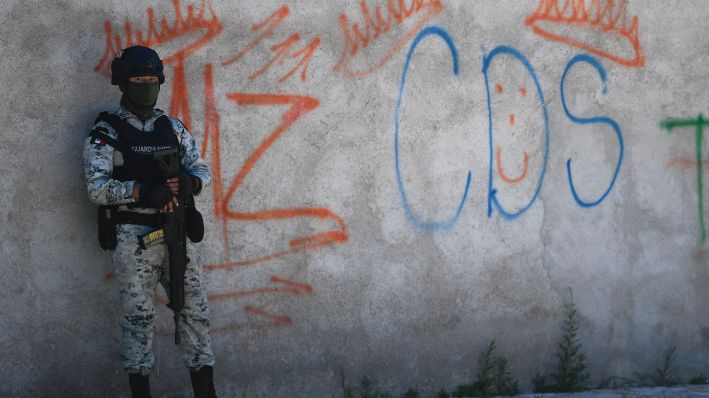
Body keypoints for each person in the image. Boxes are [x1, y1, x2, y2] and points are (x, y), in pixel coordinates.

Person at [83, 45, 217, 398]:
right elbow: (97, 188)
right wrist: (141, 190)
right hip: (134, 240)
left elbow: (202, 168)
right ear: (123, 84)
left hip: (177, 233)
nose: (147, 86)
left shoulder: (172, 127)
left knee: (194, 315)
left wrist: (192, 182)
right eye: (138, 80)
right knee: (139, 321)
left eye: (152, 80)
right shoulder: (106, 131)